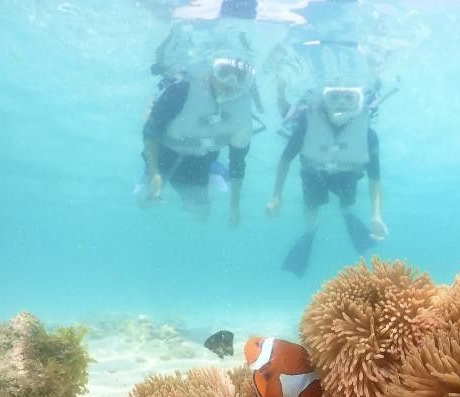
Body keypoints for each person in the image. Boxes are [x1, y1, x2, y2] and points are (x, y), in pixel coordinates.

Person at [267, 84, 389, 276]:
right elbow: (285, 160)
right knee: (311, 209)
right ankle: (310, 232)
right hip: (314, 172)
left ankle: (347, 214)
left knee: (347, 205)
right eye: (334, 97)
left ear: (359, 102)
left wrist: (376, 215)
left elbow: (375, 178)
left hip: (347, 173)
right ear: (324, 100)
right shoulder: (306, 125)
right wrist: (276, 196)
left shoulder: (368, 134)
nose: (341, 103)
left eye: (349, 98)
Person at [141, 56, 255, 224]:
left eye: (240, 77)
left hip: (198, 162)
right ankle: (215, 171)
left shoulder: (242, 112)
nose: (230, 82)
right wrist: (155, 172)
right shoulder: (182, 89)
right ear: (212, 71)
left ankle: (214, 170)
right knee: (142, 203)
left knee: (202, 216)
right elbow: (150, 132)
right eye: (224, 72)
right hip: (163, 153)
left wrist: (234, 207)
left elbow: (238, 162)